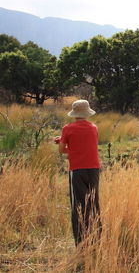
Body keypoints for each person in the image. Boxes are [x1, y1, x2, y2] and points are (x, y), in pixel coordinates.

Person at [54, 99, 101, 246]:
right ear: (87, 112)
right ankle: (96, 238)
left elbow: (62, 150)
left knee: (78, 206)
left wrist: (65, 143)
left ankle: (81, 242)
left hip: (77, 170)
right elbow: (87, 145)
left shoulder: (67, 129)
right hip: (94, 169)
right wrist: (69, 143)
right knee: (93, 203)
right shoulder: (94, 127)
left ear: (74, 114)